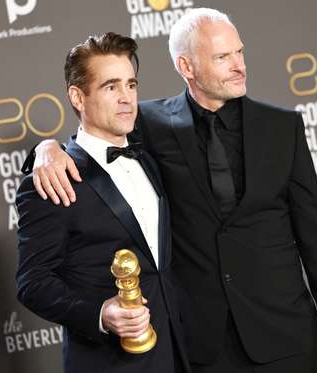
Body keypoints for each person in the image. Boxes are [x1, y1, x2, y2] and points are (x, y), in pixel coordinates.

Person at [24, 8, 317, 373]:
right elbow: (94, 139)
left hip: (286, 333)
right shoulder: (147, 124)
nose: (238, 65)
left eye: (239, 52)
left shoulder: (284, 127)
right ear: (187, 66)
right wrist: (45, 149)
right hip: (200, 345)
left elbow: (315, 236)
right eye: (222, 57)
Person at [15, 32, 190, 373]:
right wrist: (99, 314)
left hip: (178, 352)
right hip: (109, 362)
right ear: (78, 97)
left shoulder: (150, 151)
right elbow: (32, 282)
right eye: (111, 87)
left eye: (131, 85)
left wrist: (43, 144)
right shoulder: (55, 180)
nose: (126, 98)